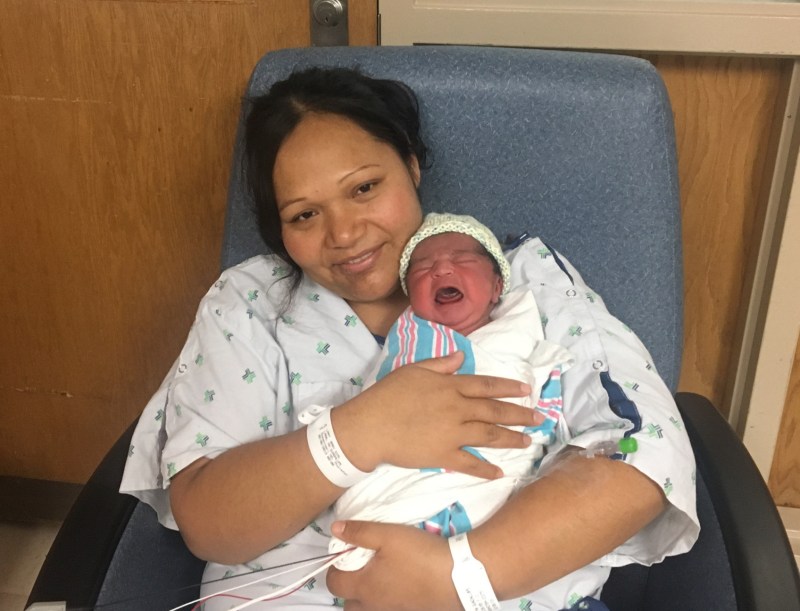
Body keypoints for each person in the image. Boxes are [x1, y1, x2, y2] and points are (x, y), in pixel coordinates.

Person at [120, 66, 699, 611]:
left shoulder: (520, 277)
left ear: (413, 166)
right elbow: (207, 522)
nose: (345, 233)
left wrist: (462, 574)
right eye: (304, 216)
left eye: (366, 187)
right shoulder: (250, 304)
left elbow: (642, 455)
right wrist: (354, 434)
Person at [318, 212, 576, 578]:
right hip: (393, 485)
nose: (440, 270)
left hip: (483, 497)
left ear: (497, 285)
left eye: (462, 259)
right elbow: (378, 400)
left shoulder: (516, 338)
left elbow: (540, 396)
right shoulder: (408, 340)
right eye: (422, 268)